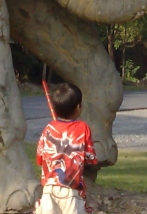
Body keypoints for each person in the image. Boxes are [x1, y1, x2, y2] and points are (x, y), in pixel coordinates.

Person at [35, 82, 98, 214]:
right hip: (71, 189)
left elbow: (40, 158)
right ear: (78, 107)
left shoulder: (48, 128)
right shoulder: (83, 128)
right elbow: (91, 158)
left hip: (49, 188)